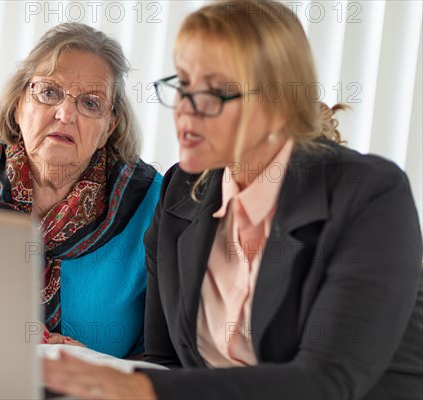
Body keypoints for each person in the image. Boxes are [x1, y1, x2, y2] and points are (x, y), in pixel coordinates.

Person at [43, 1, 423, 398]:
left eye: (215, 91)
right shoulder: (179, 192)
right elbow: (166, 362)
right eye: (184, 85)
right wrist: (90, 376)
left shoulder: (369, 194)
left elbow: (326, 382)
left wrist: (138, 386)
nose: (187, 109)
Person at [0, 22, 162, 358]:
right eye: (49, 92)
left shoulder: (151, 203)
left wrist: (97, 368)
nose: (66, 113)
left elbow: (164, 355)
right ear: (18, 103)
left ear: (108, 127)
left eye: (90, 103)